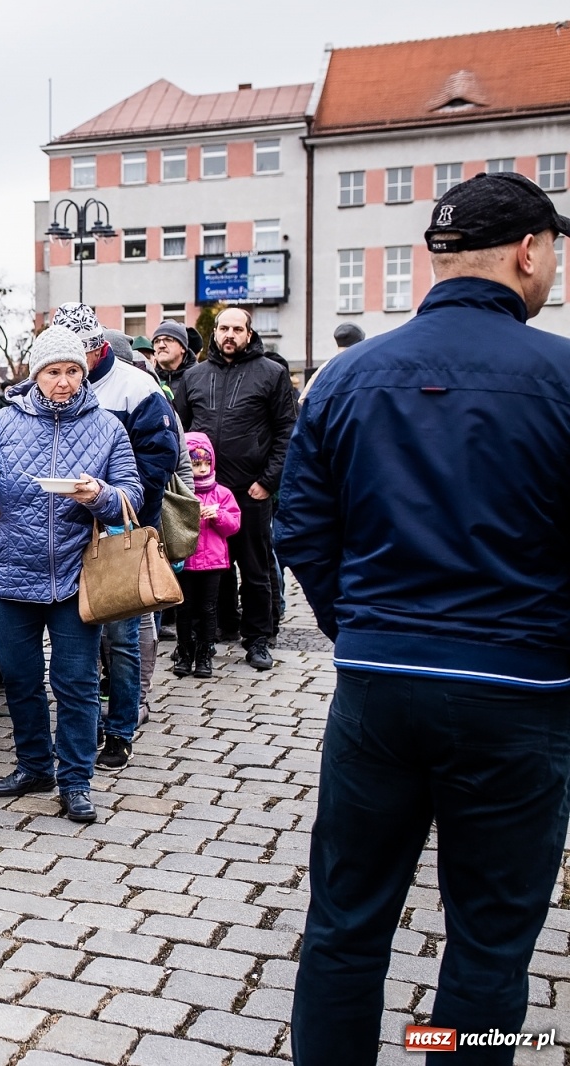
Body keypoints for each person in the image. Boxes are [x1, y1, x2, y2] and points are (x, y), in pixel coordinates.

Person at [278, 172, 570, 1065]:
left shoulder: (348, 374)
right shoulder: (561, 375)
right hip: (518, 692)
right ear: (529, 251)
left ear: (435, 259)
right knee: (487, 938)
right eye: (555, 248)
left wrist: (360, 627)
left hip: (380, 688)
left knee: (346, 920)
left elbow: (301, 522)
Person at [0, 326, 141, 823]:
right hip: (13, 572)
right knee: (20, 678)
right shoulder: (7, 421)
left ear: (84, 373)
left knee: (75, 682)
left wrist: (96, 494)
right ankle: (34, 764)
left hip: (78, 577)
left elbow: (132, 496)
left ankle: (76, 780)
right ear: (37, 375)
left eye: (72, 371)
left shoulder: (108, 427)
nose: (63, 381)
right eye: (53, 372)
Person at [52, 309, 178, 773]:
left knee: (122, 637)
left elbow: (160, 461)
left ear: (99, 347)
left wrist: (114, 504)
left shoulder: (136, 388)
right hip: (66, 532)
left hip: (120, 530)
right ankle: (81, 727)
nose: (70, 366)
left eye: (78, 355)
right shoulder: (57, 385)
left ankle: (121, 729)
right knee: (76, 636)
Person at [173, 307, 295, 670]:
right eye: (224, 328)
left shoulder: (271, 374)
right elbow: (178, 433)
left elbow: (287, 432)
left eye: (237, 329)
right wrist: (184, 487)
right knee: (204, 567)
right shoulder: (194, 377)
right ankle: (211, 632)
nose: (230, 334)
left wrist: (267, 482)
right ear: (214, 332)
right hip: (202, 493)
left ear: (249, 332)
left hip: (249, 491)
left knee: (255, 569)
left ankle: (258, 638)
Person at [171, 432, 241, 680]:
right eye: (195, 464)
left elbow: (234, 525)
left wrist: (218, 515)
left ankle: (204, 654)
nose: (202, 470)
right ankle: (184, 652)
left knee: (209, 609)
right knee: (185, 609)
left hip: (213, 563)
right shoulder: (181, 492)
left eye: (206, 464)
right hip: (187, 561)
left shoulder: (222, 494)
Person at [150, 320, 195, 404]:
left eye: (168, 340)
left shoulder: (198, 378)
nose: (161, 345)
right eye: (156, 341)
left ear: (183, 348)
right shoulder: (148, 379)